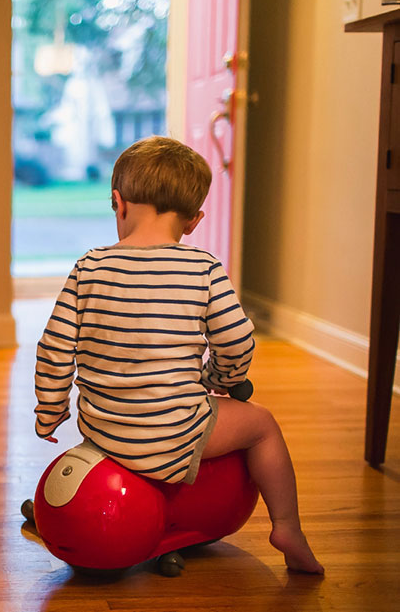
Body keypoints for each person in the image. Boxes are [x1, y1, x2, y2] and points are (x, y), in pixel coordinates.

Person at [33, 136, 324, 574]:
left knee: (105, 410)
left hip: (103, 428)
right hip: (176, 432)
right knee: (262, 425)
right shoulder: (203, 268)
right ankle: (287, 526)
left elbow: (54, 348)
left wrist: (50, 409)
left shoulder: (88, 267)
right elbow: (238, 341)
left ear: (119, 203)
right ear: (193, 221)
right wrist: (221, 378)